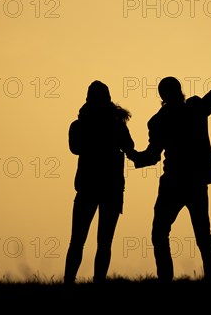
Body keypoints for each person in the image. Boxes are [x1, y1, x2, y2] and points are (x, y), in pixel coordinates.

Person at [127, 63, 211, 282]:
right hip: (193, 181)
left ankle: (166, 280)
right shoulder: (193, 110)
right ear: (179, 91)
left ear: (162, 96)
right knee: (202, 234)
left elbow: (153, 155)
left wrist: (135, 156)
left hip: (174, 182)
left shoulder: (160, 120)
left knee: (161, 233)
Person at [64, 80, 135, 284]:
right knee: (102, 243)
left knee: (78, 241)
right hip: (108, 188)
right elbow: (130, 147)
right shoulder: (115, 124)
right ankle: (97, 283)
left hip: (89, 188)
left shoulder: (79, 125)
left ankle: (70, 282)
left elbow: (75, 148)